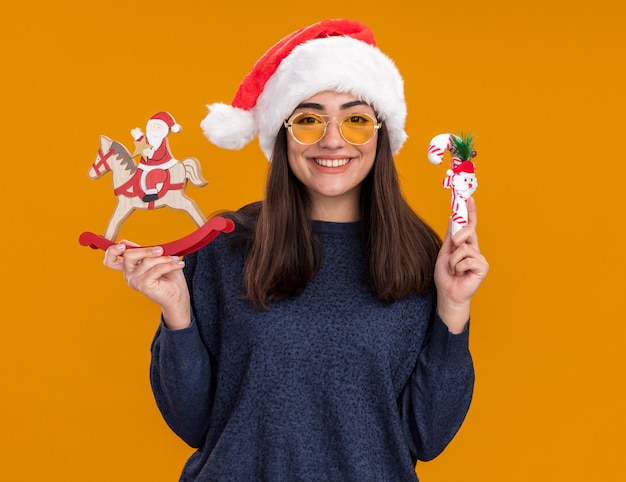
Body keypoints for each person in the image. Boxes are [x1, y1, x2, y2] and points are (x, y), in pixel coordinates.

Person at [104, 19, 489, 481]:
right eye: (308, 119)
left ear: (380, 133)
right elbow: (191, 423)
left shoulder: (420, 257)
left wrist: (453, 304)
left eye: (356, 119)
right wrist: (177, 313)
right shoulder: (225, 243)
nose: (332, 139)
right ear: (283, 133)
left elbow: (427, 436)